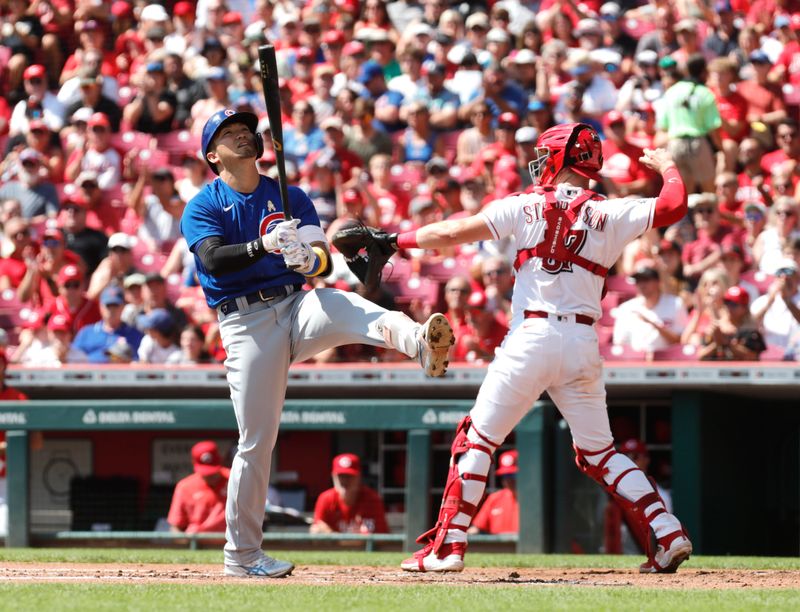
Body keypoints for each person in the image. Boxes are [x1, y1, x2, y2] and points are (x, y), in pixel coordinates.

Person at [392, 123, 692, 574]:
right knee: (600, 454)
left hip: (531, 338)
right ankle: (667, 533)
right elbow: (674, 205)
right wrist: (668, 165)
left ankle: (448, 546)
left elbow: (452, 232)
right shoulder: (611, 210)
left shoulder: (526, 202)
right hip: (582, 343)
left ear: (559, 158)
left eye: (544, 155)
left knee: (477, 438)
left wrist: (395, 240)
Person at [180, 109, 455, 578]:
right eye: (229, 134)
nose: (243, 135)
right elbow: (212, 259)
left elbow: (324, 267)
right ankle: (242, 556)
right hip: (245, 324)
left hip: (293, 304)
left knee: (341, 304)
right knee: (256, 442)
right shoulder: (204, 203)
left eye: (246, 130)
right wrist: (262, 247)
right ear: (213, 155)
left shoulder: (289, 195)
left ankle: (421, 344)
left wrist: (307, 256)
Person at [603, 439, 671, 555]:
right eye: (625, 457)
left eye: (634, 457)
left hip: (644, 553)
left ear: (646, 460)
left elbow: (664, 532)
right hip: (615, 554)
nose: (629, 462)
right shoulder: (610, 491)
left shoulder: (660, 494)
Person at [612, 262, 688, 353]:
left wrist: (653, 324)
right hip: (634, 363)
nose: (642, 285)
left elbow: (681, 341)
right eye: (638, 280)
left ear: (658, 282)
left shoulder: (676, 303)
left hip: (668, 363)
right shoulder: (626, 308)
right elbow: (620, 344)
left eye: (646, 280)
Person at [310, 453, 389, 534]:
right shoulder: (325, 498)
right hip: (335, 547)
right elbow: (316, 531)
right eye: (341, 476)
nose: (344, 480)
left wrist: (334, 537)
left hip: (363, 547)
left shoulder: (372, 499)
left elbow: (378, 537)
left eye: (349, 476)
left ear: (359, 477)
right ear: (333, 477)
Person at [167, 441, 230, 534]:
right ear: (193, 463)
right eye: (206, 473)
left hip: (233, 543)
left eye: (213, 472)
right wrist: (188, 541)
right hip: (197, 543)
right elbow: (175, 527)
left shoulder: (235, 479)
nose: (210, 476)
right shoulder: (184, 486)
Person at [468, 449, 518, 535]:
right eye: (505, 475)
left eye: (513, 475)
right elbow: (476, 529)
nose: (509, 480)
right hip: (498, 547)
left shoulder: (535, 499)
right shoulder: (495, 498)